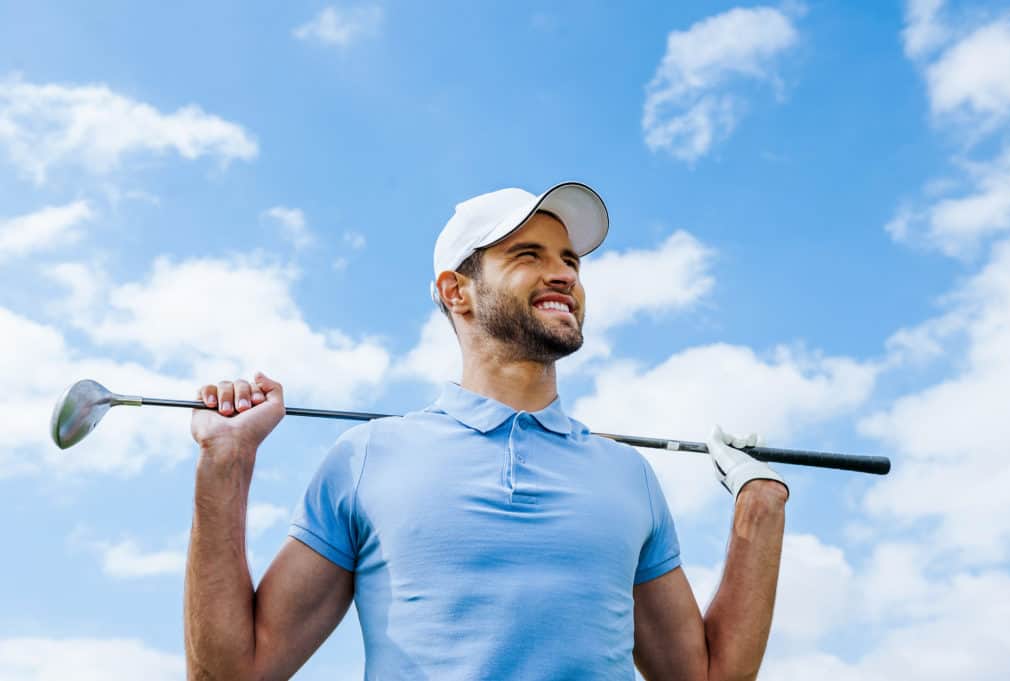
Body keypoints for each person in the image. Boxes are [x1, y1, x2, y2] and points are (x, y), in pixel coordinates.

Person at [185, 182, 789, 681]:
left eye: (570, 261)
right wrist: (226, 463)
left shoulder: (628, 475)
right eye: (528, 255)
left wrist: (758, 506)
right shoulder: (367, 457)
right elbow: (232, 674)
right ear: (457, 292)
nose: (563, 275)